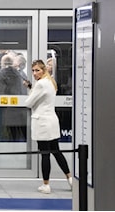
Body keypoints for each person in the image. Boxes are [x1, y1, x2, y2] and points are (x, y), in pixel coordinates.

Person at [24, 59, 72, 194]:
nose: (34, 73)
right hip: (51, 120)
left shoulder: (41, 84)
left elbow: (29, 103)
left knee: (45, 154)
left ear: (43, 70)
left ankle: (46, 184)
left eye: (37, 70)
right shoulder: (51, 82)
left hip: (42, 122)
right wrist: (30, 87)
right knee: (56, 151)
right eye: (33, 70)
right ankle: (70, 178)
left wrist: (30, 90)